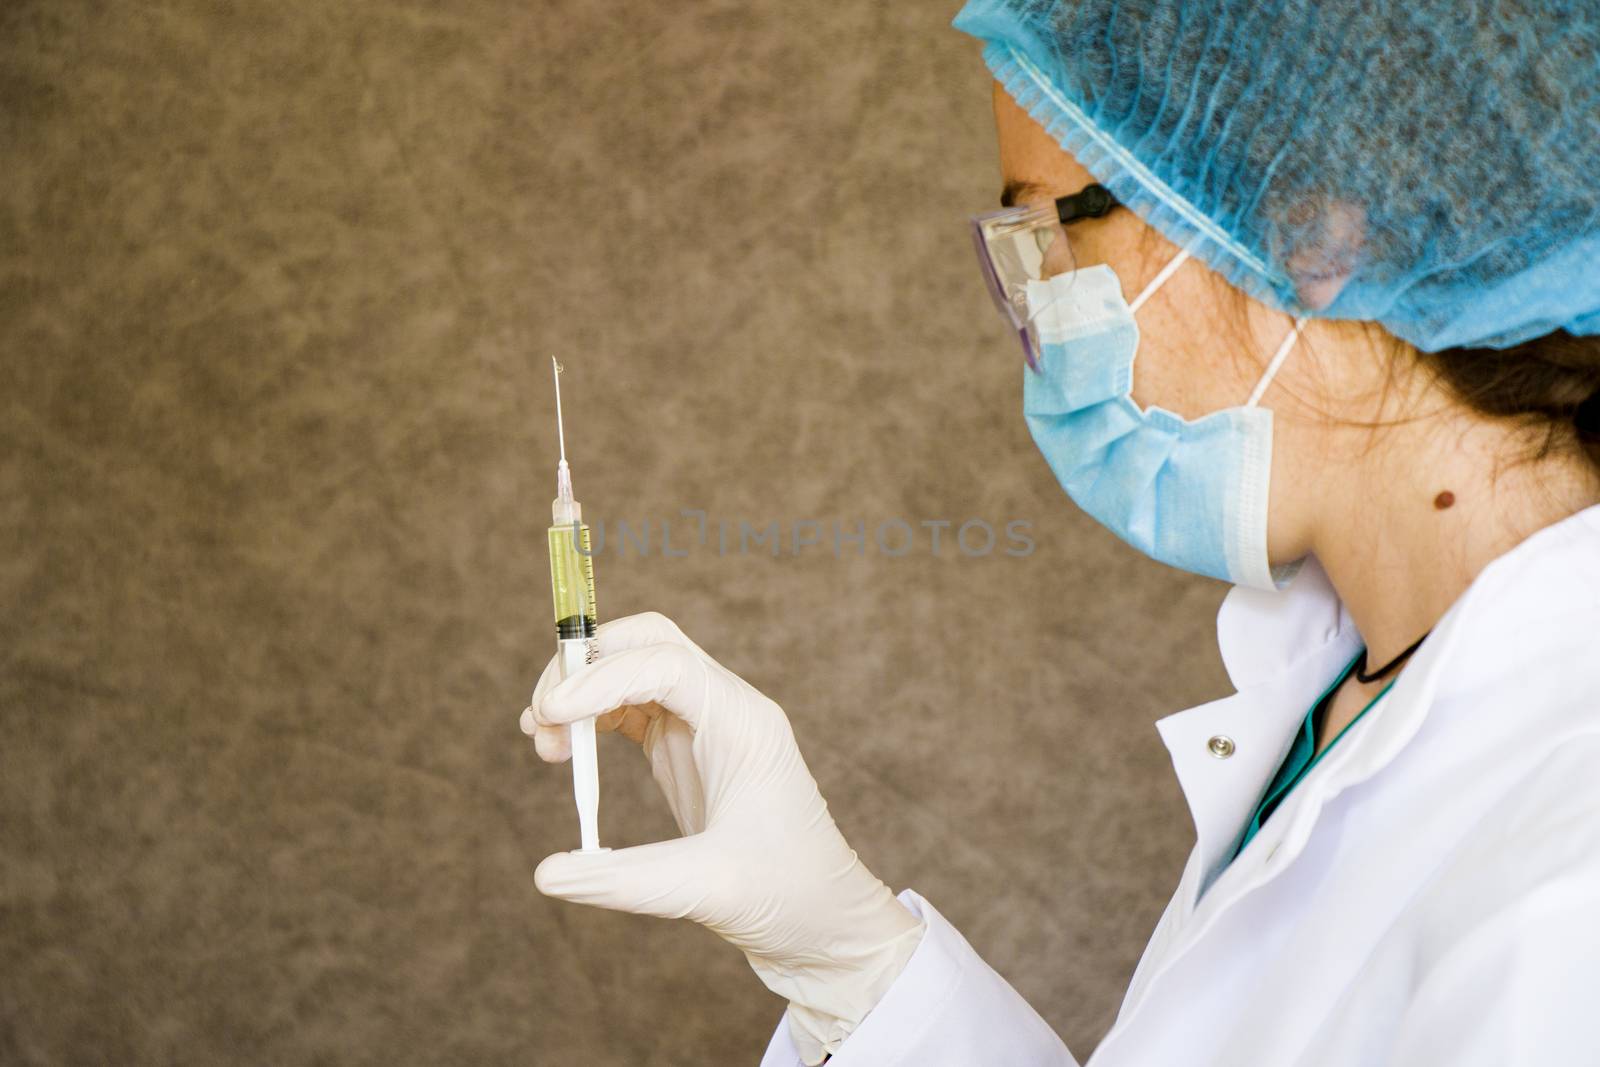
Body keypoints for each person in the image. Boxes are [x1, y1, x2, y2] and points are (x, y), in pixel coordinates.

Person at [522, 1, 1600, 1063]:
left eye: (1051, 226)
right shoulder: (1350, 691)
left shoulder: (1568, 868)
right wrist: (851, 965)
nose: (1035, 308)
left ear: (1316, 238)